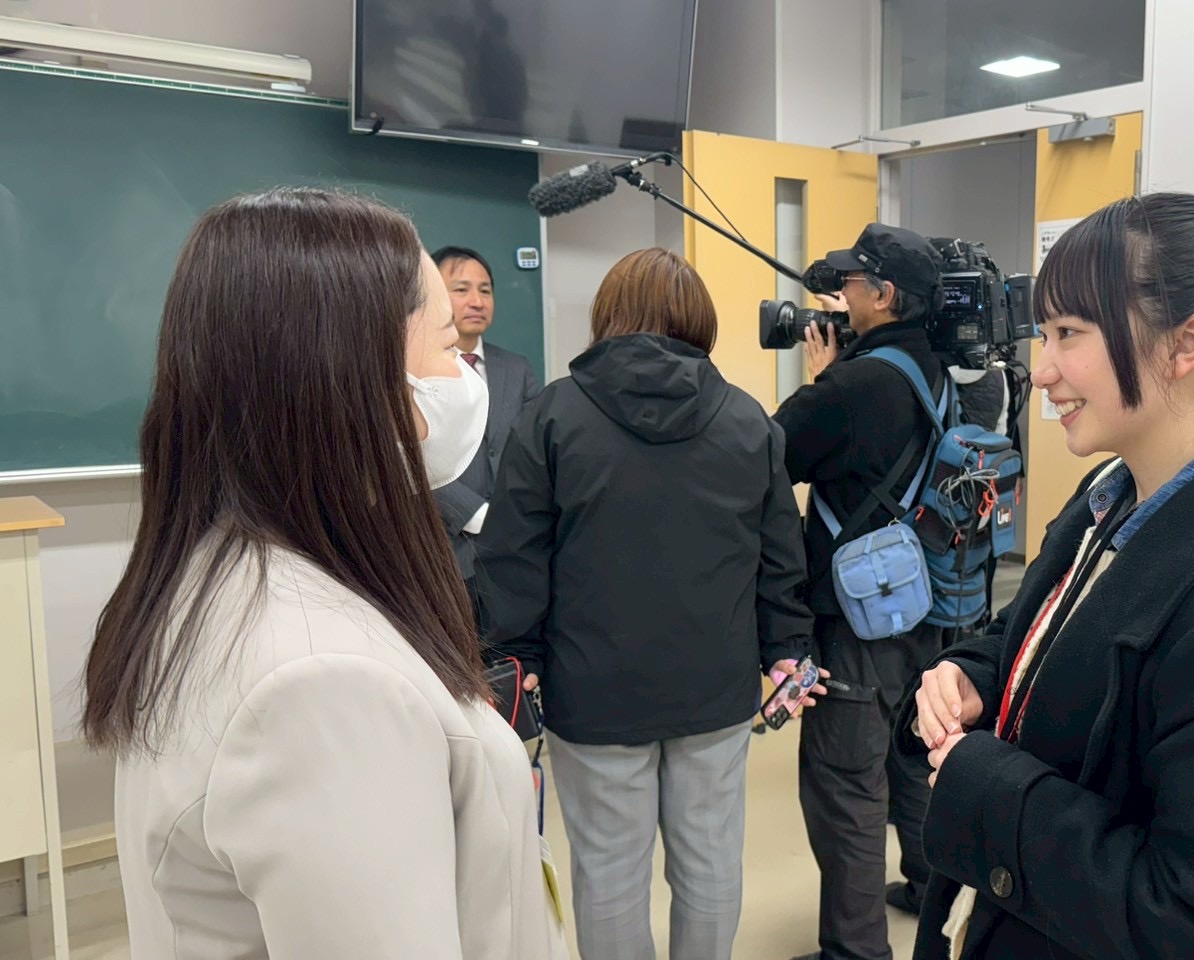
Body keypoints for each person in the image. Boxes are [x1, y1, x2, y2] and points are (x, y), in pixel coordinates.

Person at [82, 188, 569, 958]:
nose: (463, 378)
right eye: (446, 345)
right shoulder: (325, 684)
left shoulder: (234, 571)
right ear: (355, 377)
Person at [901, 193, 1194, 960]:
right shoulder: (1110, 499)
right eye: (1043, 334)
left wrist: (988, 789)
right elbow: (1056, 630)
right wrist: (974, 673)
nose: (1041, 370)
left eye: (1069, 334)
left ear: (1186, 345)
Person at [476, 247, 822, 960]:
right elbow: (779, 557)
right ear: (700, 321)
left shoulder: (551, 417)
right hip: (715, 688)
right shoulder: (749, 421)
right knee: (711, 863)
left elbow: (514, 557)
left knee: (607, 873)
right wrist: (787, 650)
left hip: (593, 692)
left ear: (608, 315)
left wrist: (515, 655)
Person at [775, 223, 948, 960]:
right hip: (926, 605)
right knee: (910, 759)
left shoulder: (853, 386)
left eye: (850, 283)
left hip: (856, 623)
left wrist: (822, 379)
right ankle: (931, 889)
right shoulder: (935, 369)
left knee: (845, 785)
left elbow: (772, 455)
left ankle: (855, 951)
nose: (840, 296)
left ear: (883, 294)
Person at [429, 244, 540, 599]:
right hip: (442, 553)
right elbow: (415, 458)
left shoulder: (517, 369)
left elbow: (535, 452)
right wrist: (479, 516)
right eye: (461, 290)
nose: (477, 301)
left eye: (485, 290)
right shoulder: (415, 370)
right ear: (432, 294)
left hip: (515, 551)